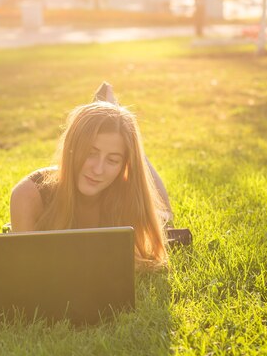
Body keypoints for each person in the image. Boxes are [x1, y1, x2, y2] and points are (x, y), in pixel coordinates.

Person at [10, 84, 173, 267]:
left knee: (165, 217)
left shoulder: (128, 189)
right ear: (72, 147)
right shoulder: (28, 195)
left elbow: (150, 256)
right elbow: (26, 269)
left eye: (112, 160)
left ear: (123, 166)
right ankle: (109, 110)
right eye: (90, 153)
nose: (98, 169)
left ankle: (113, 114)